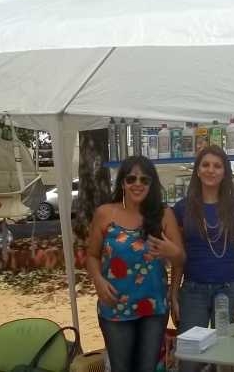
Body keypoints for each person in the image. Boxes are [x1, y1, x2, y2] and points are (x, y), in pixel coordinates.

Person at [87, 155, 185, 372]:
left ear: (152, 184)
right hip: (115, 306)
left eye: (144, 180)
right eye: (131, 179)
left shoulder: (163, 215)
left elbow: (180, 260)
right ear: (122, 183)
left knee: (147, 368)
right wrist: (98, 281)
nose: (137, 184)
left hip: (154, 307)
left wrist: (172, 252)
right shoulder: (105, 213)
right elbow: (92, 255)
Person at [170, 145, 234, 372]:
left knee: (227, 360)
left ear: (225, 172)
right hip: (192, 292)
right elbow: (178, 256)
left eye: (217, 166)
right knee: (189, 361)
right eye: (205, 165)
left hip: (229, 291)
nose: (211, 170)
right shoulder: (182, 209)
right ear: (197, 170)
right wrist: (174, 295)